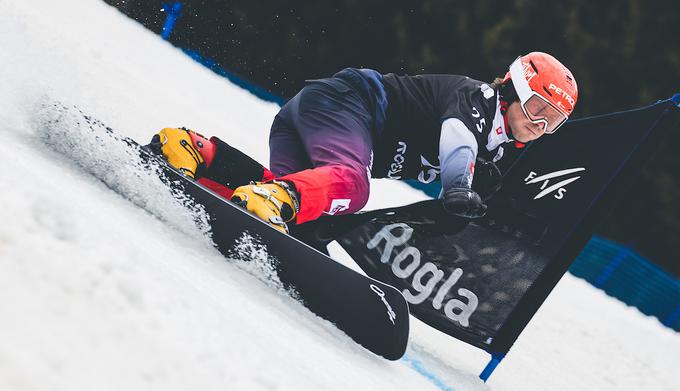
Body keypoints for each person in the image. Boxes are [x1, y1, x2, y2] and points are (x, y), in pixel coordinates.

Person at [150, 51, 578, 234]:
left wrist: (459, 210)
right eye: (539, 108)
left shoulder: (495, 152)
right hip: (346, 104)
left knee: (299, 214)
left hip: (314, 117)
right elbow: (457, 141)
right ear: (514, 89)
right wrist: (458, 187)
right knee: (352, 187)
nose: (541, 124)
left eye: (554, 121)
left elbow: (458, 205)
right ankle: (275, 195)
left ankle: (195, 150)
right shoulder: (477, 99)